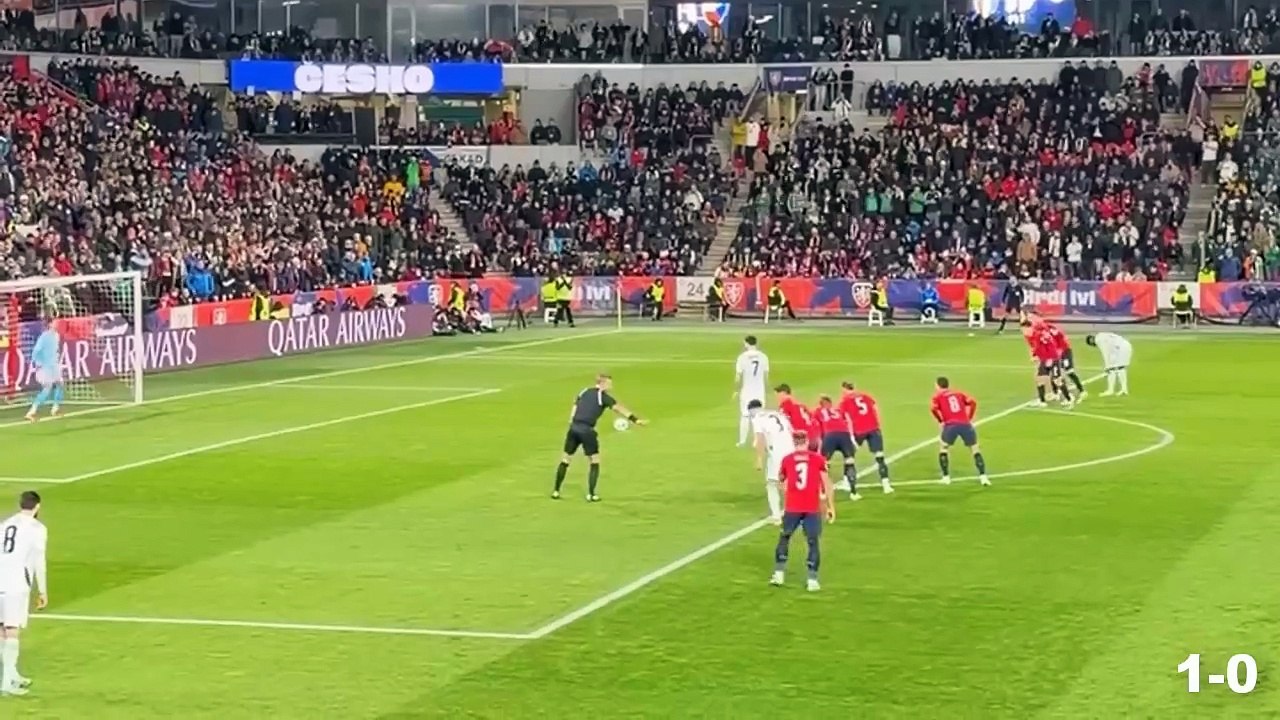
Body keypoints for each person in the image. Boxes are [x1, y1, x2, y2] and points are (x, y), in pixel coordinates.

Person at [553, 373, 646, 502]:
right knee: (594, 460)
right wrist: (635, 420)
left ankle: (556, 491)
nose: (611, 386)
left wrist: (572, 421)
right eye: (609, 383)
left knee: (566, 458)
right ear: (602, 383)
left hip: (574, 428)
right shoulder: (602, 397)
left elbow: (575, 405)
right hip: (587, 430)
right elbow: (619, 409)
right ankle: (591, 494)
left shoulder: (585, 391)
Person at [770, 435, 834, 592]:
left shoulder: (787, 459)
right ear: (806, 442)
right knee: (813, 542)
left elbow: (781, 482)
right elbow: (826, 484)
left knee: (784, 537)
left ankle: (779, 574)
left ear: (794, 443)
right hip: (812, 507)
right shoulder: (817, 459)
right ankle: (812, 580)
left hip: (793, 507)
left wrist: (789, 493)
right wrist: (830, 506)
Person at [0, 490, 48, 697]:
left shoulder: (5, 524)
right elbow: (39, 561)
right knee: (12, 630)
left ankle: (11, 674)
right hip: (16, 583)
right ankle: (6, 683)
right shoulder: (37, 528)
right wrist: (43, 590)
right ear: (37, 506)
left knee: (2, 629)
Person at [930, 377, 991, 487]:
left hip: (950, 426)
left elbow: (933, 409)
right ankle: (983, 477)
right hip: (965, 425)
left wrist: (940, 421)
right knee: (975, 449)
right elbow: (972, 402)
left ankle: (946, 478)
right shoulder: (959, 393)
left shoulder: (937, 397)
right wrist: (969, 417)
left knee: (944, 448)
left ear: (938, 386)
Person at [839, 381, 893, 494]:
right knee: (879, 456)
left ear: (845, 389)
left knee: (849, 456)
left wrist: (851, 435)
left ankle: (846, 482)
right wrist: (878, 423)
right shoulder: (865, 396)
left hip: (858, 430)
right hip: (874, 428)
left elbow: (846, 419)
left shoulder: (845, 402)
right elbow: (875, 407)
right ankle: (886, 485)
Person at [749, 399, 794, 523]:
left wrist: (759, 459)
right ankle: (796, 511)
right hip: (791, 450)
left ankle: (777, 515)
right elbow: (791, 431)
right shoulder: (778, 414)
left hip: (777, 453)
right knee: (789, 482)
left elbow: (760, 439)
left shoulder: (757, 418)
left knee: (772, 483)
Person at [815, 395, 859, 499]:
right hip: (844, 435)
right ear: (830, 403)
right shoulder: (838, 410)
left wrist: (820, 443)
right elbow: (848, 420)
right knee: (850, 462)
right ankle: (854, 493)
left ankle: (823, 491)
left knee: (824, 463)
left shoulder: (818, 411)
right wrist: (852, 437)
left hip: (830, 435)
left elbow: (817, 426)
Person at [1022, 320, 1072, 408]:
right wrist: (1035, 356)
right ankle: (1042, 401)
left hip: (1051, 359)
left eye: (1024, 329)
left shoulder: (1039, 335)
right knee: (1039, 379)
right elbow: (1037, 348)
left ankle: (1069, 399)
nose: (1024, 332)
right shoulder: (1035, 336)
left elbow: (1051, 345)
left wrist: (1050, 359)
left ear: (1030, 328)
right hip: (1045, 359)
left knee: (1057, 380)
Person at [24, 319, 64, 422]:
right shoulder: (44, 337)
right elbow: (35, 351)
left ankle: (55, 409)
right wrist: (38, 363)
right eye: (55, 322)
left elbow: (55, 350)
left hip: (54, 365)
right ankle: (32, 411)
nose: (57, 324)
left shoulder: (57, 336)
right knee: (47, 388)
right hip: (45, 366)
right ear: (50, 324)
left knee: (60, 384)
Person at [733, 335, 769, 447]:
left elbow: (738, 376)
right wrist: (767, 389)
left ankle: (742, 441)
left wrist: (736, 390)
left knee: (745, 415)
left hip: (747, 391)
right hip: (759, 390)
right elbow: (766, 376)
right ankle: (757, 441)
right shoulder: (763, 357)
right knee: (759, 416)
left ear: (746, 343)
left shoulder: (742, 357)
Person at [1039, 319, 1086, 400]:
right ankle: (1056, 393)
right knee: (1054, 373)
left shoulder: (1051, 330)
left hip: (1064, 351)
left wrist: (1058, 354)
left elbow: (1061, 340)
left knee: (1069, 371)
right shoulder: (1040, 332)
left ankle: (1082, 390)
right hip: (1054, 353)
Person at [774, 384, 820, 452]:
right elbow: (811, 417)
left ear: (784, 393)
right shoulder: (800, 404)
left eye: (778, 395)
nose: (777, 398)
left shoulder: (786, 403)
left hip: (801, 439)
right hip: (812, 437)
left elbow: (783, 421)